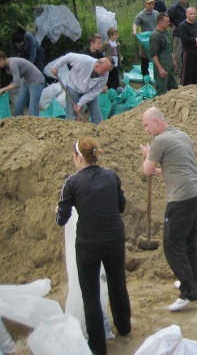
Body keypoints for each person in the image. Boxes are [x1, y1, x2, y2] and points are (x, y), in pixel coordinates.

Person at [55, 137, 131, 355]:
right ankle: (124, 327)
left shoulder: (72, 182)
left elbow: (61, 219)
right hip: (114, 238)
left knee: (90, 294)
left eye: (73, 156)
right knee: (118, 282)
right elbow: (121, 206)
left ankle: (98, 347)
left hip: (88, 243)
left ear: (79, 157)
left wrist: (58, 211)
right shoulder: (111, 176)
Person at [141, 107, 197, 312]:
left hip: (181, 198)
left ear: (156, 122)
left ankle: (189, 291)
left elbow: (147, 170)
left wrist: (148, 155)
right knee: (189, 240)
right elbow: (172, 168)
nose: (145, 130)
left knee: (172, 244)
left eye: (146, 125)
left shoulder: (159, 141)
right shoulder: (182, 135)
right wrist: (154, 161)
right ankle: (193, 279)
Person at [50, 55, 112, 124]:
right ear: (97, 66)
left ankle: (99, 128)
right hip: (73, 86)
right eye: (103, 71)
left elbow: (95, 92)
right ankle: (71, 127)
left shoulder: (105, 74)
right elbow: (68, 56)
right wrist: (56, 66)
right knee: (72, 113)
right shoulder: (83, 60)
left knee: (96, 112)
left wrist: (81, 103)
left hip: (90, 91)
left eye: (106, 71)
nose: (105, 73)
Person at [0, 50, 46, 117]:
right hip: (26, 81)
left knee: (32, 112)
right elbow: (15, 80)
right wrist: (6, 90)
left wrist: (2, 89)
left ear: (1, 59)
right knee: (18, 109)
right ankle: (19, 122)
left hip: (36, 82)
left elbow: (17, 83)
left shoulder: (12, 64)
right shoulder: (8, 65)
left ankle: (35, 123)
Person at [150, 13, 178, 96]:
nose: (169, 23)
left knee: (174, 88)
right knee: (161, 92)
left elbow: (169, 49)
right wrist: (160, 69)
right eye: (167, 22)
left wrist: (173, 61)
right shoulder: (155, 35)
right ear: (160, 22)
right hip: (162, 66)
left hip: (169, 65)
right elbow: (154, 55)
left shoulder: (165, 32)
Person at [177, 7, 197, 86]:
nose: (193, 15)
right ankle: (183, 88)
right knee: (186, 73)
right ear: (186, 14)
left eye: (194, 13)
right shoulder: (183, 25)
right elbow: (185, 39)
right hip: (188, 52)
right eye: (191, 14)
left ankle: (195, 88)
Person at [132, 0, 159, 77]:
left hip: (155, 38)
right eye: (149, 4)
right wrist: (134, 31)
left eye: (152, 4)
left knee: (157, 56)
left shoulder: (156, 13)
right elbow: (135, 24)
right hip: (145, 40)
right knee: (145, 58)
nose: (151, 6)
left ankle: (157, 75)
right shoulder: (141, 15)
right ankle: (145, 77)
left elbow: (161, 22)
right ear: (145, 4)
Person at [167, 0, 189, 75]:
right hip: (178, 33)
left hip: (186, 33)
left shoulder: (188, 6)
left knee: (185, 52)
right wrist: (171, 25)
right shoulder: (174, 7)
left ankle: (184, 68)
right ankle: (176, 69)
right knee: (177, 52)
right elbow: (166, 16)